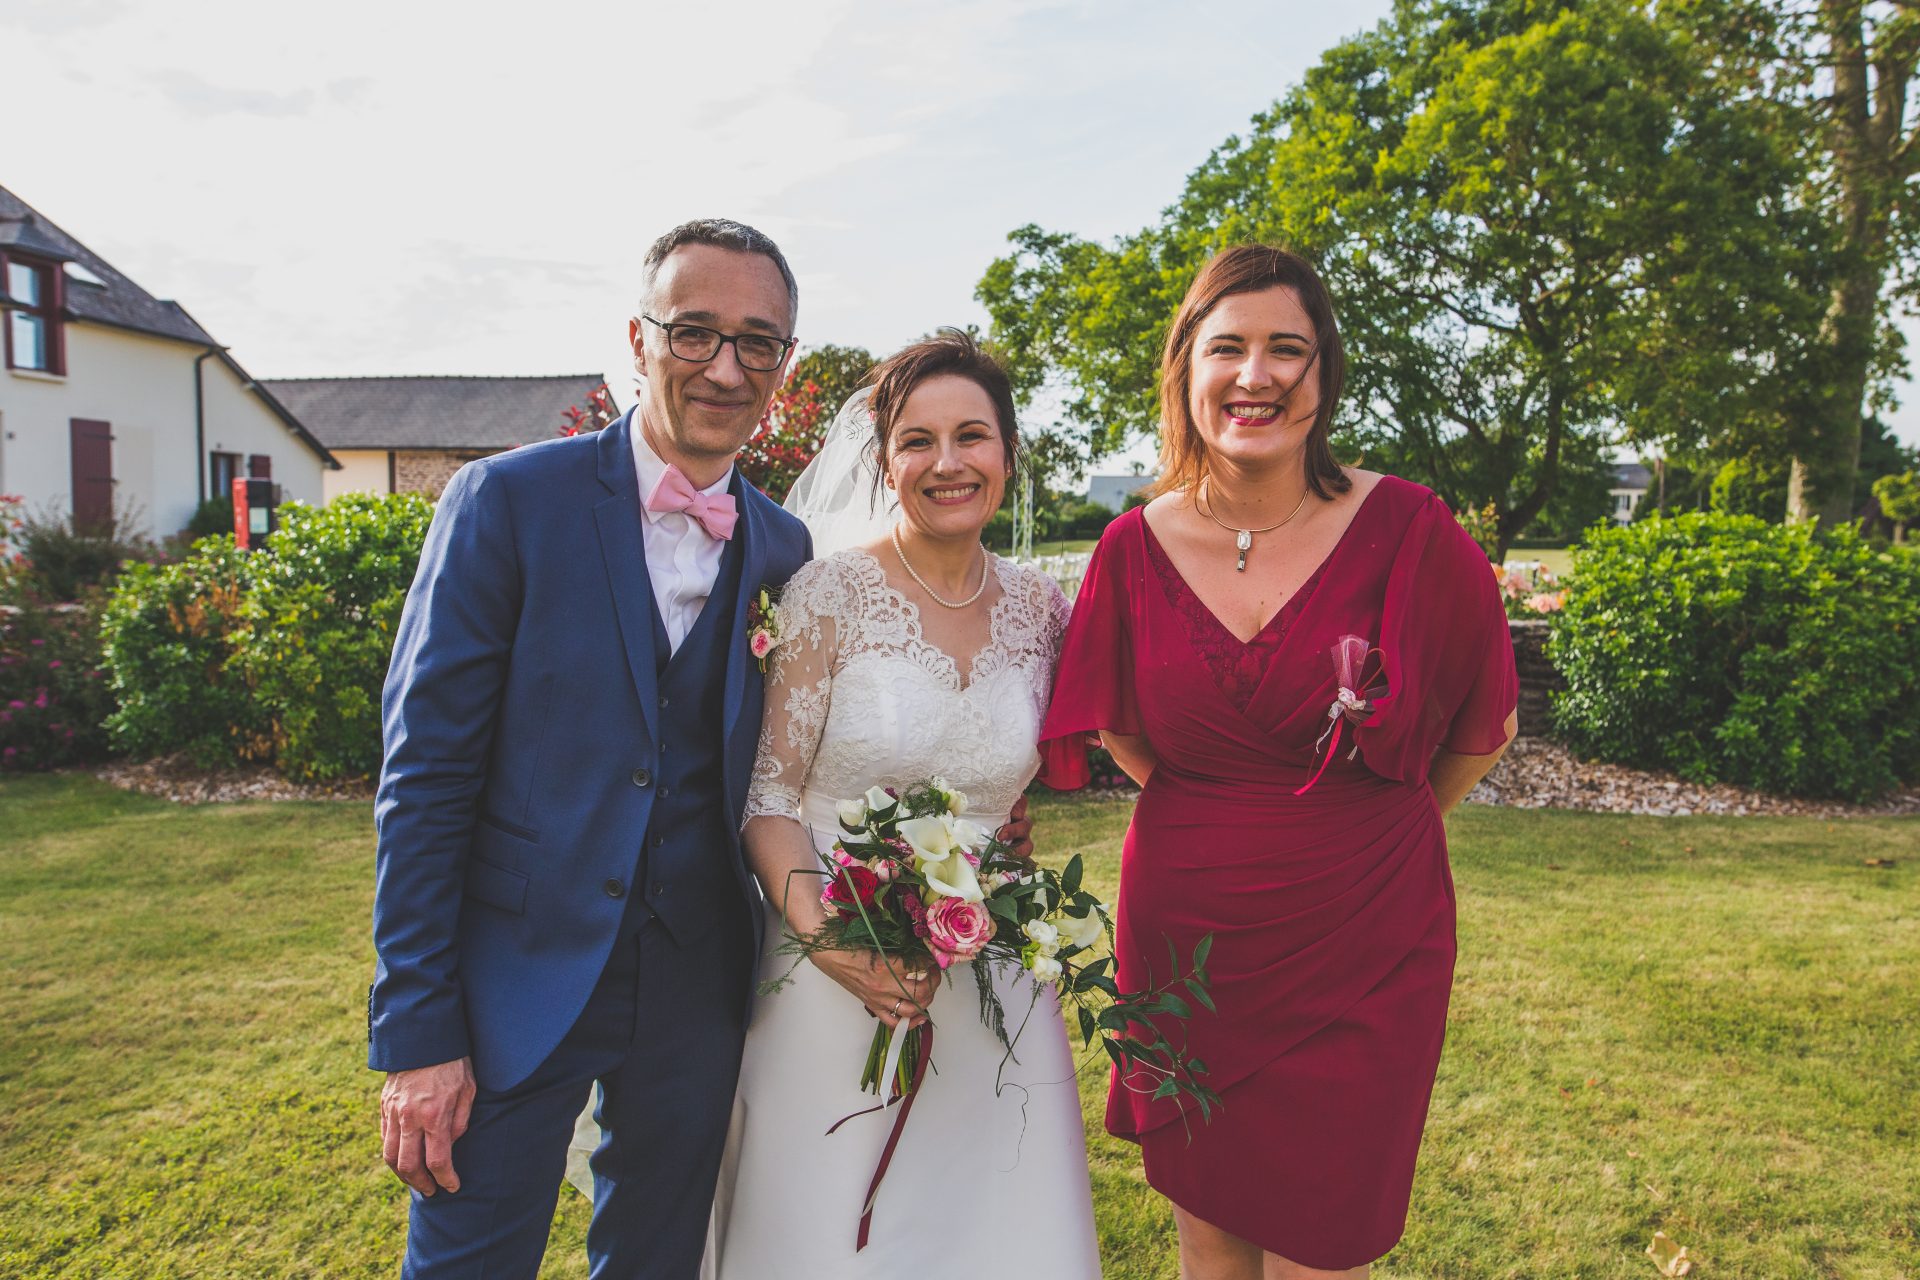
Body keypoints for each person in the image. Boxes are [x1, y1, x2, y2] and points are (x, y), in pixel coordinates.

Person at [1040, 245, 1519, 1280]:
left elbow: (1481, 730)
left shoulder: (1413, 529)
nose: (1255, 375)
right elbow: (1127, 730)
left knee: (1325, 1242)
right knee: (1209, 1238)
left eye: (1286, 349)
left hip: (1369, 932)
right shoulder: (1131, 547)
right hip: (1188, 940)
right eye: (1228, 348)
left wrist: (1370, 830)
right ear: (1185, 370)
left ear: (1325, 372)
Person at [371, 218, 827, 1278]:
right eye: (695, 331)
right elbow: (424, 778)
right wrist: (418, 1030)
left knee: (658, 1260)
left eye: (757, 340)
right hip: (509, 980)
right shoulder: (507, 501)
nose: (725, 366)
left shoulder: (787, 548)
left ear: (783, 362)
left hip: (698, 981)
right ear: (638, 336)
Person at [705, 330, 1101, 1278]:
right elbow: (767, 795)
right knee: (830, 1229)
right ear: (885, 460)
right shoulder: (827, 595)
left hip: (994, 975)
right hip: (826, 965)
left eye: (972, 436)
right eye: (918, 441)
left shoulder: (1044, 610)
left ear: (1008, 453)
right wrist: (834, 944)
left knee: (992, 1226)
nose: (948, 462)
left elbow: (1014, 788)